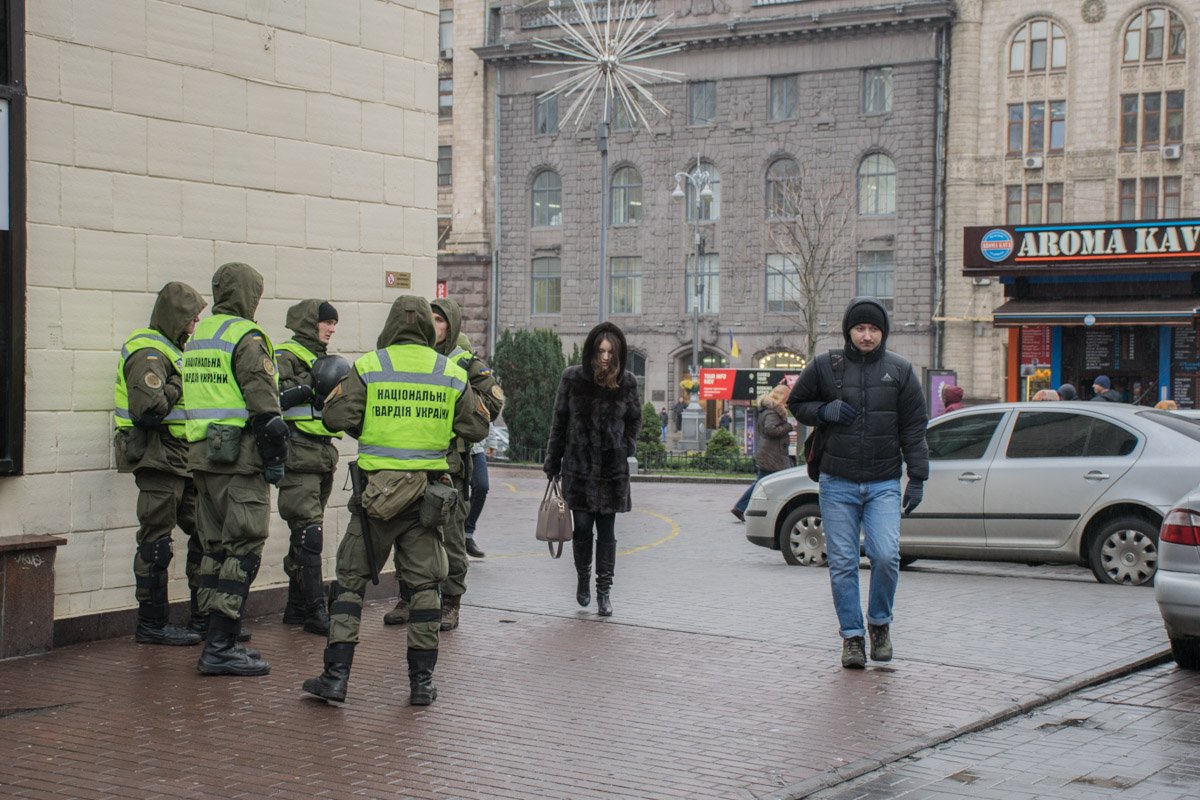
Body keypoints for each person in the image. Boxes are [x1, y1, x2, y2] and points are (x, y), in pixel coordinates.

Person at [301, 295, 489, 706]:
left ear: (390, 325)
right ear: (426, 327)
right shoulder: (450, 371)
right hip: (426, 500)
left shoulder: (370, 366)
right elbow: (477, 425)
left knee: (349, 585)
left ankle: (335, 678)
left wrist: (368, 423)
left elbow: (333, 418)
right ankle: (421, 684)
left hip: (374, 499)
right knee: (425, 589)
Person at [787, 296, 928, 669]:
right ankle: (852, 637)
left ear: (884, 332)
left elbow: (914, 428)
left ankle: (879, 625)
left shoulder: (899, 370)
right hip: (838, 482)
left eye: (874, 329)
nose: (867, 336)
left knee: (885, 556)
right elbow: (796, 403)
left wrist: (918, 476)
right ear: (849, 330)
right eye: (860, 328)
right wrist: (823, 411)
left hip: (883, 482)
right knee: (844, 563)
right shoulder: (826, 366)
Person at [183, 262, 286, 677]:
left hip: (202, 457)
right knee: (243, 549)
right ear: (249, 295)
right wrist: (275, 458)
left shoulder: (200, 335)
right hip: (240, 462)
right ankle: (221, 647)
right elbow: (265, 409)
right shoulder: (246, 337)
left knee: (214, 551)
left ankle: (214, 635)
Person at [380, 301, 504, 631]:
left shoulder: (462, 362)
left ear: (450, 326)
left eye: (440, 320)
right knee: (406, 535)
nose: (434, 325)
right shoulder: (409, 356)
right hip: (409, 460)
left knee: (450, 539)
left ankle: (451, 603)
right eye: (430, 318)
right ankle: (408, 596)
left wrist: (457, 414)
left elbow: (493, 402)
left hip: (448, 465)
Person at [114, 282, 207, 646]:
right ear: (174, 316)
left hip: (182, 457)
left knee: (205, 532)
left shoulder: (174, 349)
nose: (197, 320)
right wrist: (176, 384)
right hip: (157, 456)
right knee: (156, 541)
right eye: (190, 314)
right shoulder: (149, 351)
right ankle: (152, 624)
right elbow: (148, 408)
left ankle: (203, 618)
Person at [544, 322, 642, 617]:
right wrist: (553, 460)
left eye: (610, 352)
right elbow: (559, 421)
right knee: (583, 528)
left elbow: (635, 419)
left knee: (607, 531)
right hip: (579, 467)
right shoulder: (572, 378)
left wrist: (625, 446)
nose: (605, 357)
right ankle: (583, 579)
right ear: (591, 351)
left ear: (618, 353)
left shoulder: (627, 382)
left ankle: (604, 592)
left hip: (612, 470)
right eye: (600, 351)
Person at [275, 300, 348, 636]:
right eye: (326, 323)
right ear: (309, 323)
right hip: (298, 452)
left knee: (303, 536)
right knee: (310, 533)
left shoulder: (322, 357)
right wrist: (307, 390)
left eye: (334, 323)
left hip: (321, 455)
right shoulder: (286, 354)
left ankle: (296, 606)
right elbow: (273, 393)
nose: (331, 329)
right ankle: (316, 611)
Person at [730, 384, 794, 522]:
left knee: (763, 483)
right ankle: (741, 507)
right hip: (772, 455)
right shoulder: (772, 412)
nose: (788, 401)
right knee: (771, 483)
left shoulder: (768, 410)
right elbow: (770, 430)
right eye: (787, 398)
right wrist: (789, 427)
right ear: (782, 397)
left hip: (769, 453)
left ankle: (742, 508)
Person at [464, 420, 501, 557]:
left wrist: (492, 441)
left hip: (476, 448)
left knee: (482, 486)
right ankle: (451, 538)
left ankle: (467, 534)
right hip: (454, 447)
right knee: (453, 492)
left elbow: (487, 414)